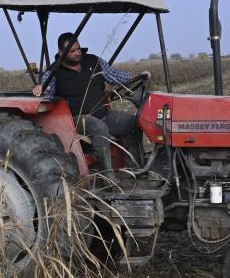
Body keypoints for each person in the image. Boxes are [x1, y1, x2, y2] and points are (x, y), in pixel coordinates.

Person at [33, 33, 149, 179]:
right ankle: (108, 178)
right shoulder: (53, 72)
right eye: (72, 51)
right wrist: (39, 89)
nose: (77, 53)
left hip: (103, 114)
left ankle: (135, 171)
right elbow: (46, 93)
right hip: (77, 119)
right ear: (61, 53)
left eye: (78, 49)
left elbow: (115, 76)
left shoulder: (93, 61)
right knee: (99, 128)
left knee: (133, 123)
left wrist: (137, 76)